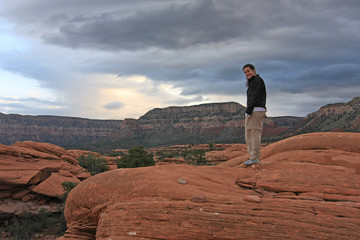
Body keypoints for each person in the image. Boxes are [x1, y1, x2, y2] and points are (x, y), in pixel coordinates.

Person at [242, 64, 267, 166]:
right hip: (254, 109)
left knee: (254, 133)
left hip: (256, 110)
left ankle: (254, 158)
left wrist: (248, 111)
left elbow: (255, 96)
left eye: (248, 71)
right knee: (250, 134)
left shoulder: (257, 81)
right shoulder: (253, 81)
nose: (247, 73)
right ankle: (252, 156)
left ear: (253, 70)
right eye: (245, 72)